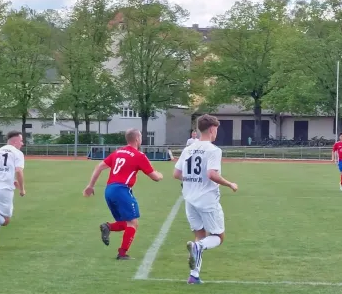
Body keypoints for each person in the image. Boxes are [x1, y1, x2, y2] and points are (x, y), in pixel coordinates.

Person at [173, 114, 237, 284]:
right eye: (216, 129)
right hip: (207, 200)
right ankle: (198, 248)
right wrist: (229, 183)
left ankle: (194, 275)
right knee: (218, 237)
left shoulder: (188, 149)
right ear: (211, 129)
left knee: (200, 235)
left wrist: (192, 181)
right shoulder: (214, 150)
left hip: (189, 199)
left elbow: (176, 174)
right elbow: (211, 174)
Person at [83, 128, 163, 260]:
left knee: (124, 222)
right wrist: (160, 175)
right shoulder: (139, 156)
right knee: (133, 223)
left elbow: (99, 166)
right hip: (121, 190)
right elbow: (154, 177)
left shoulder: (118, 152)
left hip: (109, 190)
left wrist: (90, 186)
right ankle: (122, 253)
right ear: (137, 139)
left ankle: (107, 227)